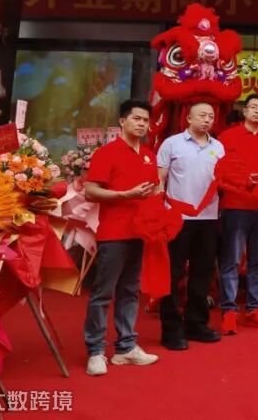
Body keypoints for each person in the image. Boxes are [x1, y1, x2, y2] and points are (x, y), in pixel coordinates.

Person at [82, 99, 161, 377]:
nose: (142, 124)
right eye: (136, 119)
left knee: (130, 291)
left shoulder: (149, 155)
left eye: (145, 120)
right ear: (122, 121)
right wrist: (124, 195)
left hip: (141, 233)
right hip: (113, 233)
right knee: (103, 292)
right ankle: (96, 350)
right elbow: (90, 191)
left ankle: (126, 347)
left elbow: (153, 191)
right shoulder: (106, 153)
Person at [157, 101, 225, 350]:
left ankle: (196, 324)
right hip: (177, 218)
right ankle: (171, 329)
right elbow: (160, 179)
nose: (207, 120)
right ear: (188, 118)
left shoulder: (218, 147)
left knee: (202, 273)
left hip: (208, 217)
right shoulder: (172, 143)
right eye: (202, 115)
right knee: (173, 274)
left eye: (211, 116)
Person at [216, 93, 258, 335]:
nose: (257, 111)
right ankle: (229, 311)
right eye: (252, 107)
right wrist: (243, 180)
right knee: (232, 260)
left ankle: (255, 308)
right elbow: (219, 171)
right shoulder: (227, 137)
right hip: (236, 206)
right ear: (244, 111)